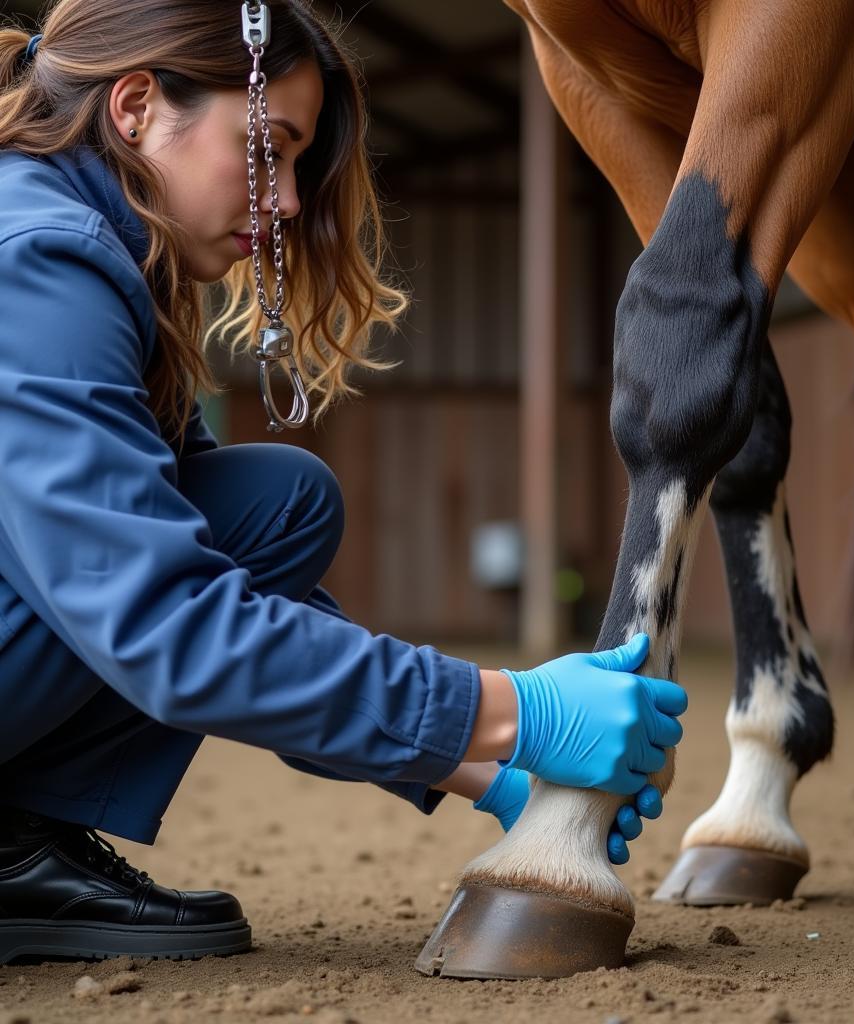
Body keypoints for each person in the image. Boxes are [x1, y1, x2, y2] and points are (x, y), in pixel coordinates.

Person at [0, 0, 687, 966]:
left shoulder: (98, 256)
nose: (284, 200)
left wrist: (482, 768)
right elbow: (168, 624)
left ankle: (13, 846)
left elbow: (228, 578)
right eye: (266, 148)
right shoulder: (40, 265)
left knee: (276, 503)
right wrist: (517, 708)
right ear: (137, 107)